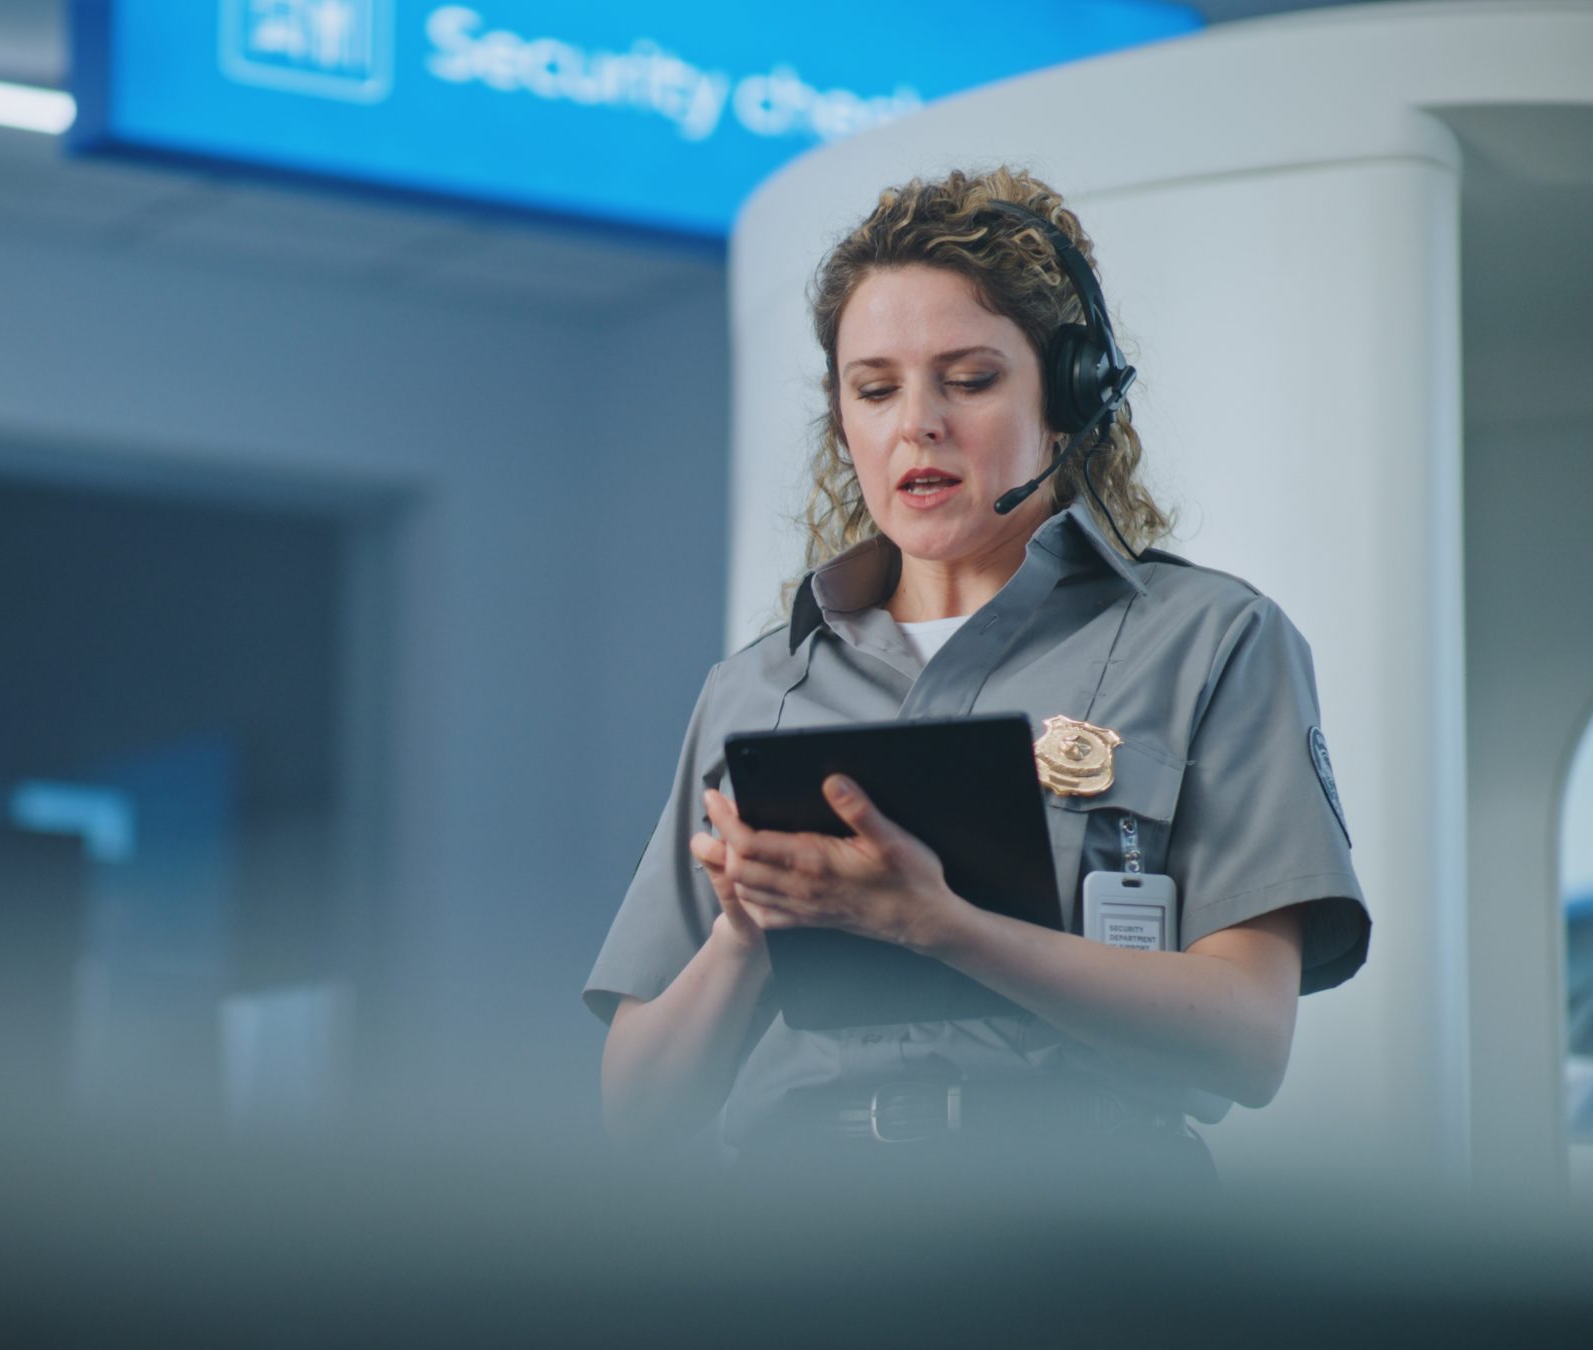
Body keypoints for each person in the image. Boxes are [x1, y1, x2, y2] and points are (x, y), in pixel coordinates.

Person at [584, 167, 1370, 1182]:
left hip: (1086, 1215)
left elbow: (1247, 1045)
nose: (918, 423)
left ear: (1069, 396)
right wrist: (745, 936)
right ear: (842, 421)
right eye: (876, 390)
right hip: (796, 1220)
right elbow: (636, 1112)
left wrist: (945, 929)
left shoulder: (1212, 640)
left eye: (968, 379)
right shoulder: (754, 687)